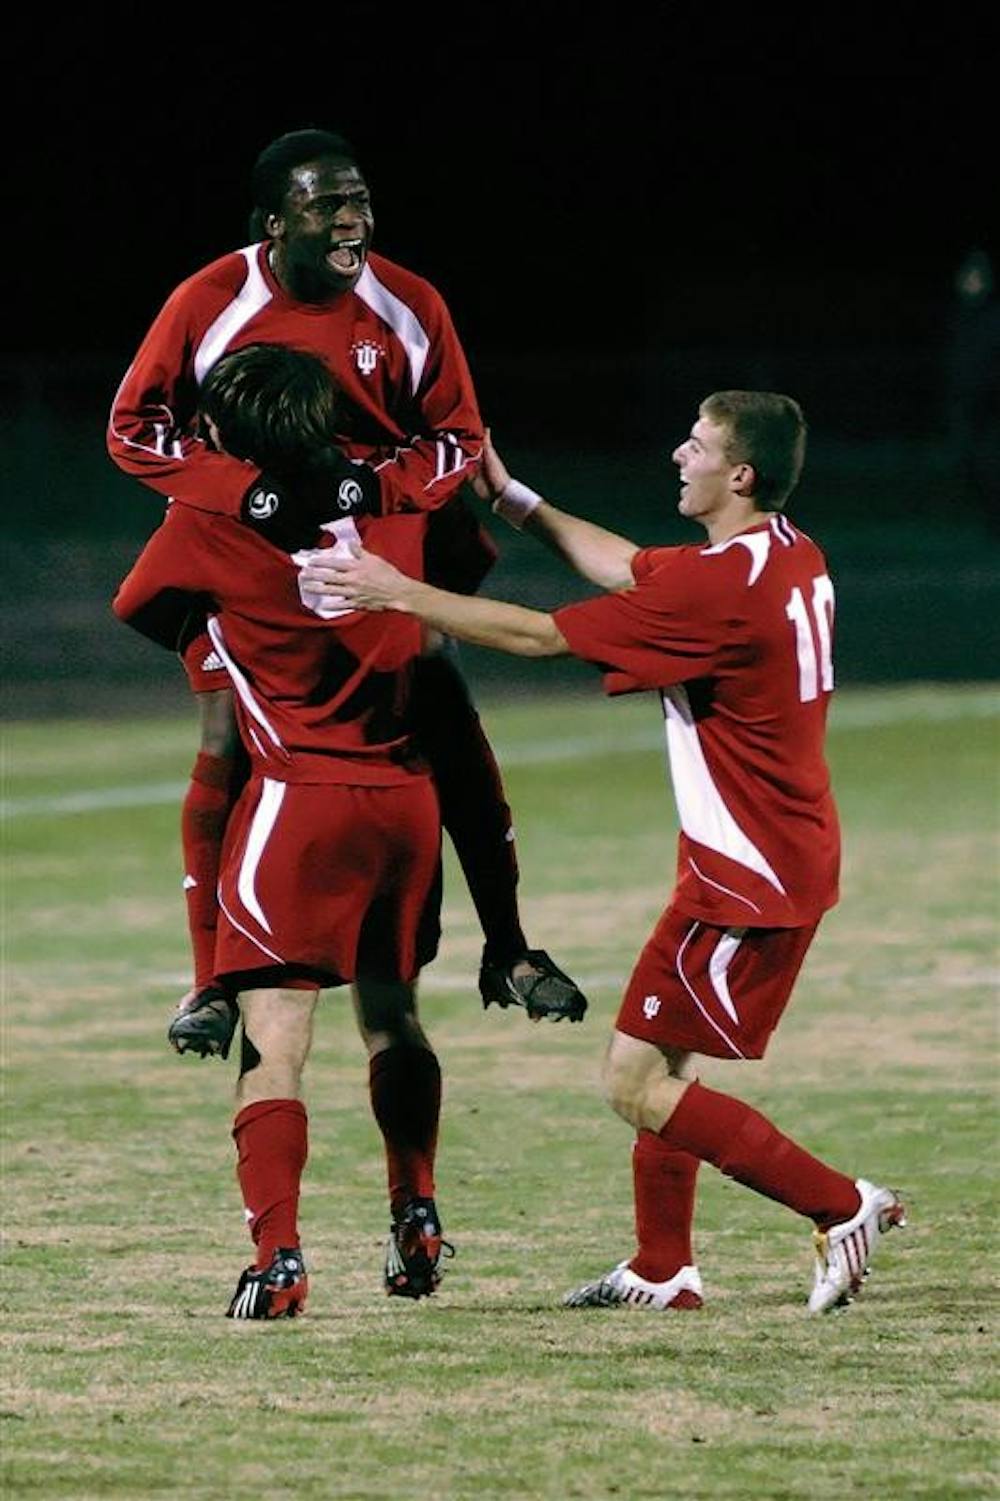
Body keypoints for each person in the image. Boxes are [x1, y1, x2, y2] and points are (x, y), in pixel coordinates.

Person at [304, 391, 908, 1315]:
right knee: (666, 1063)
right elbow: (627, 567)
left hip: (747, 877)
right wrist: (514, 498)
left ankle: (840, 1203)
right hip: (763, 856)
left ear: (738, 475)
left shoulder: (720, 589)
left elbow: (543, 634)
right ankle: (663, 1268)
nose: (678, 453)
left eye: (697, 444)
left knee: (635, 1083)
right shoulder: (785, 552)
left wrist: (395, 592)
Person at [106, 126, 586, 1058]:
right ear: (274, 220)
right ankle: (209, 978)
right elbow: (135, 426)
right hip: (241, 532)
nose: (353, 217)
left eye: (360, 198)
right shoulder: (212, 297)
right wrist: (243, 491)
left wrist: (375, 488)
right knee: (227, 736)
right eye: (328, 203)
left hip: (374, 529)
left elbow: (457, 435)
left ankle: (511, 948)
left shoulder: (409, 303)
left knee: (443, 711)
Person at [114, 343, 459, 1318]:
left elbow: (137, 605)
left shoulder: (206, 515)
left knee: (275, 1037)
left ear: (221, 434)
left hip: (296, 799)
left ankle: (278, 1259)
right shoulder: (392, 494)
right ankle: (416, 1211)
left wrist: (228, 626)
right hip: (404, 798)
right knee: (392, 1014)